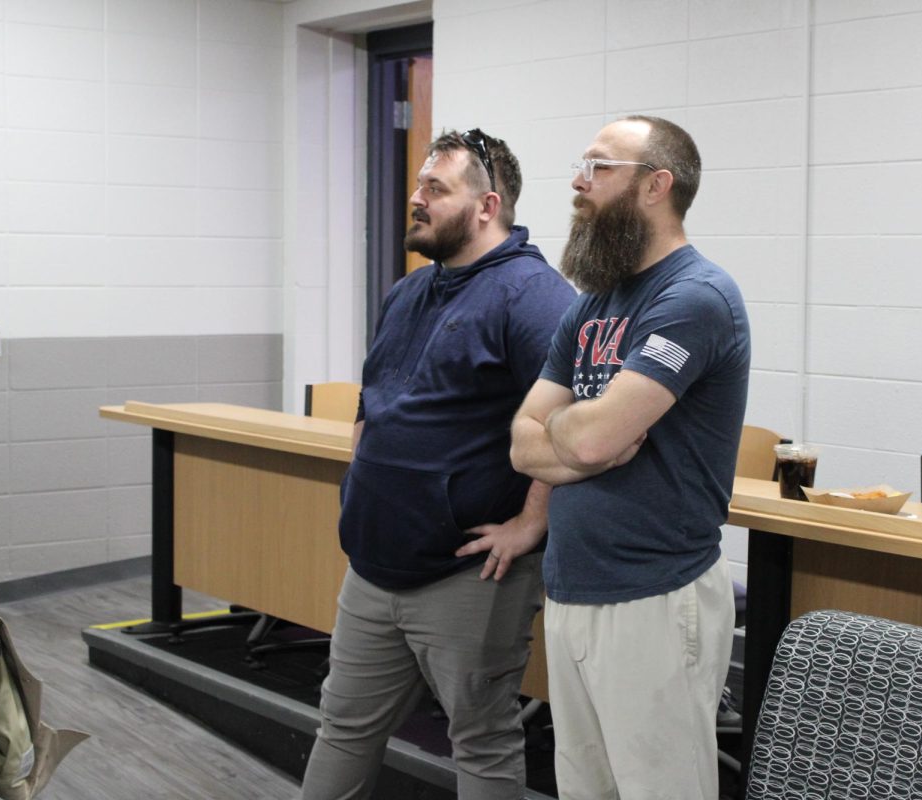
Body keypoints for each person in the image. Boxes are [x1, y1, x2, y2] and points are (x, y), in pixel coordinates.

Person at [301, 129, 576, 800]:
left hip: (467, 573)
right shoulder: (409, 293)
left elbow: (564, 421)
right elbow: (374, 399)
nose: (416, 199)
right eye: (419, 185)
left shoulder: (533, 296)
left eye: (435, 188)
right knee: (342, 725)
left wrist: (529, 523)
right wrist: (357, 482)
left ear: (487, 205)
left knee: (480, 740)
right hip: (374, 564)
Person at [509, 116, 751, 800]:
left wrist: (575, 437)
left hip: (654, 596)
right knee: (586, 789)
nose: (578, 182)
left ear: (656, 185)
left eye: (599, 166)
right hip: (574, 588)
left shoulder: (694, 298)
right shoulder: (593, 306)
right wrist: (583, 441)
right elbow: (525, 442)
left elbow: (582, 438)